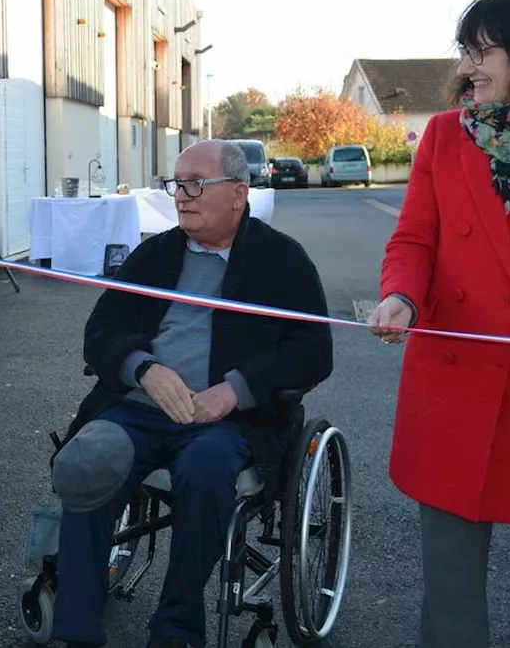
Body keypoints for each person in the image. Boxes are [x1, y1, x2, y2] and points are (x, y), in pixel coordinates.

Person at [50, 139, 333, 648]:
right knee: (87, 461)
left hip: (225, 422)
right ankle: (75, 631)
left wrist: (235, 390)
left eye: (195, 184)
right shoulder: (154, 254)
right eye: (176, 184)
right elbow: (104, 329)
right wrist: (143, 369)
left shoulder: (280, 261)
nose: (181, 196)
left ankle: (176, 628)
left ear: (239, 194)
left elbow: (313, 350)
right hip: (140, 410)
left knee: (205, 472)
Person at [368, 0, 510, 648]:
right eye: (464, 51)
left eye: (482, 50)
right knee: (450, 594)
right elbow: (413, 238)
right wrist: (401, 295)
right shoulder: (442, 137)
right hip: (455, 389)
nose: (466, 67)